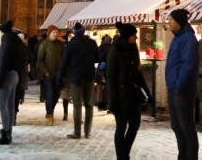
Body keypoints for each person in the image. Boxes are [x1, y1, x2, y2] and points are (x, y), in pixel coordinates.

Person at [108, 22, 152, 160]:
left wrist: (147, 92)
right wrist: (113, 98)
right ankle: (121, 156)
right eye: (134, 35)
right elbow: (110, 76)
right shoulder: (115, 49)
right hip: (120, 96)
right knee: (121, 126)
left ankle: (124, 153)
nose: (136, 38)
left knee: (135, 125)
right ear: (127, 36)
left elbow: (138, 73)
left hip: (133, 94)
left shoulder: (133, 48)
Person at [166, 8, 199, 160]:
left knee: (186, 127)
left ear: (179, 22)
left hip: (182, 90)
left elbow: (189, 65)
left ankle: (190, 157)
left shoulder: (188, 39)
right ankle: (183, 156)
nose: (169, 22)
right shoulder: (177, 38)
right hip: (173, 89)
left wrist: (179, 85)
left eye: (171, 20)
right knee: (176, 126)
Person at [58, 22, 100, 139]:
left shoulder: (71, 45)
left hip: (75, 78)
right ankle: (87, 131)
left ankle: (77, 132)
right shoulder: (92, 43)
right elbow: (98, 58)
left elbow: (64, 63)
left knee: (77, 105)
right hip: (89, 77)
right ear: (84, 31)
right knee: (89, 105)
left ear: (74, 33)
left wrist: (60, 78)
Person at [0, 20, 26, 145]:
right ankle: (9, 131)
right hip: (15, 75)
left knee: (2, 105)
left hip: (7, 75)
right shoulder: (17, 42)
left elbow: (3, 63)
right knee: (10, 104)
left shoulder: (6, 42)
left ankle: (5, 133)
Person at [37, 25, 65, 125]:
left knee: (57, 95)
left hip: (58, 74)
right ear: (49, 33)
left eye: (57, 32)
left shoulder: (60, 45)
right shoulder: (44, 44)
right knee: (50, 94)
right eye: (54, 32)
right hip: (48, 74)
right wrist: (45, 71)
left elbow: (63, 57)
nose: (56, 34)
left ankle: (50, 111)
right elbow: (40, 60)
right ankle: (49, 114)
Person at [96, 34, 113, 110]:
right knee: (107, 87)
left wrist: (100, 68)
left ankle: (99, 103)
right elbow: (106, 60)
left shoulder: (100, 47)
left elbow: (99, 59)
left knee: (100, 87)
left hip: (100, 69)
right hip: (106, 70)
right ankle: (106, 103)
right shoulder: (109, 48)